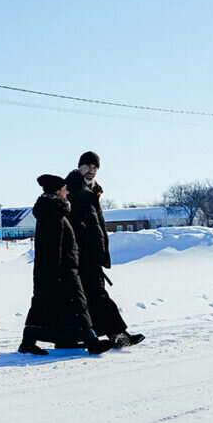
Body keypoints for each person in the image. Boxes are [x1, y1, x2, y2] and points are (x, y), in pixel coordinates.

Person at [18, 174, 114, 356]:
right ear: (57, 191)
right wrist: (61, 270)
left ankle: (27, 343)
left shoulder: (52, 210)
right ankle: (92, 342)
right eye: (64, 189)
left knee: (42, 304)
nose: (67, 192)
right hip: (61, 269)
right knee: (77, 303)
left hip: (52, 269)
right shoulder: (53, 213)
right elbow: (53, 246)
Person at [65, 151, 145, 348]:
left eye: (95, 168)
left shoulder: (91, 190)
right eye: (88, 166)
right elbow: (73, 221)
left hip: (92, 252)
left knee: (89, 295)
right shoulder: (73, 188)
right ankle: (117, 334)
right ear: (80, 166)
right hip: (81, 252)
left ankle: (87, 335)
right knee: (96, 293)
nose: (92, 171)